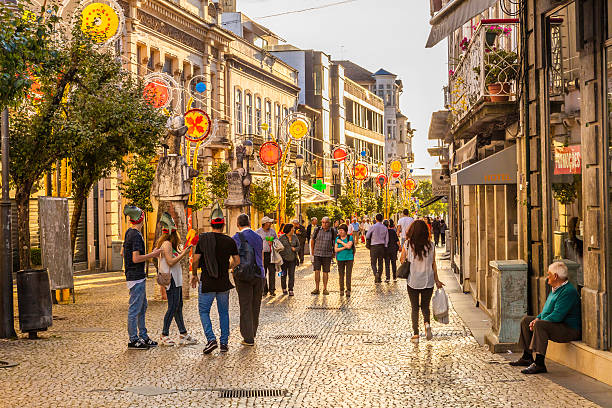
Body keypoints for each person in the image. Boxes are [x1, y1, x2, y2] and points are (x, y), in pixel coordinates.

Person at [509, 262, 581, 374]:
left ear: (556, 276)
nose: (548, 277)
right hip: (559, 325)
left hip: (569, 329)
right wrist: (536, 318)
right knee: (526, 320)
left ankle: (539, 363)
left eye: (549, 274)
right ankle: (527, 357)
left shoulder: (568, 291)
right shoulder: (556, 289)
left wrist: (538, 321)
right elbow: (546, 311)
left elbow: (557, 316)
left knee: (540, 325)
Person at [191, 213, 239, 354]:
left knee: (204, 311)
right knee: (223, 313)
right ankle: (224, 343)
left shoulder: (203, 240)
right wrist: (228, 267)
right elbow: (237, 261)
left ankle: (211, 339)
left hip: (207, 281)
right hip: (223, 282)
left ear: (211, 225)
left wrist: (194, 274)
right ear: (223, 225)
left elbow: (195, 260)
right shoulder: (229, 241)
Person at [122, 205, 162, 350]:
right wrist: (153, 254)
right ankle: (133, 339)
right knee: (135, 308)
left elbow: (123, 253)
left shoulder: (128, 233)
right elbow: (136, 258)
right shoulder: (136, 236)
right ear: (141, 219)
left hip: (134, 275)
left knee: (142, 306)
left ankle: (143, 336)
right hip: (136, 276)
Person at [156, 212, 197, 347]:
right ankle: (164, 334)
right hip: (171, 279)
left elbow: (175, 258)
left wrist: (184, 250)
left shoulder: (171, 245)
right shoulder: (166, 244)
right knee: (173, 306)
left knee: (179, 305)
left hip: (177, 278)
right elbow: (171, 262)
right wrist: (184, 254)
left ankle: (183, 333)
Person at [400, 219, 444, 344]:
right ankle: (427, 324)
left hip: (413, 280)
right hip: (428, 280)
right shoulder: (431, 245)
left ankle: (415, 334)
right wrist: (437, 281)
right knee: (425, 306)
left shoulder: (408, 244)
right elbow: (433, 264)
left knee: (414, 307)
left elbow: (402, 260)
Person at [232, 214, 265, 346]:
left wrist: (232, 269)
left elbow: (236, 259)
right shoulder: (258, 236)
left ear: (238, 224)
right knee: (255, 305)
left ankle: (248, 337)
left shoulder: (236, 237)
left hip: (244, 275)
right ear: (249, 223)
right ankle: (253, 332)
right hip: (259, 273)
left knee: (245, 305)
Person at [310, 216, 336, 295]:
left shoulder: (332, 231)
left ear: (329, 223)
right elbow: (312, 240)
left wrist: (334, 252)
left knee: (325, 272)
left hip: (327, 254)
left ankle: (325, 288)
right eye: (323, 222)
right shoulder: (317, 230)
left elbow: (334, 242)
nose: (324, 224)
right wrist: (313, 250)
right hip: (317, 254)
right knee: (317, 271)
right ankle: (317, 288)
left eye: (326, 222)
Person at [256, 216, 278, 297]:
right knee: (263, 273)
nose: (270, 224)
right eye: (269, 222)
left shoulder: (272, 231)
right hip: (262, 255)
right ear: (264, 224)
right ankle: (264, 290)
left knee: (272, 272)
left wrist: (273, 241)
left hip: (271, 254)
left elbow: (277, 240)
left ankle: (272, 290)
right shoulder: (258, 232)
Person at [366, 213, 388, 283]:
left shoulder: (373, 227)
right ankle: (379, 277)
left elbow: (367, 236)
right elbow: (387, 239)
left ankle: (376, 274)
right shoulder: (385, 227)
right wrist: (385, 246)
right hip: (382, 246)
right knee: (380, 262)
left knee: (373, 262)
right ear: (382, 219)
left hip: (374, 246)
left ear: (376, 219)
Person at [279, 223, 299, 296]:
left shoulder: (295, 237)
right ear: (289, 229)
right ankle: (283, 288)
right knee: (282, 274)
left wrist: (295, 249)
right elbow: (278, 248)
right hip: (283, 259)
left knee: (291, 275)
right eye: (292, 228)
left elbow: (299, 246)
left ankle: (291, 289)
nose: (294, 229)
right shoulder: (281, 238)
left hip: (292, 259)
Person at [334, 224, 354, 297]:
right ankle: (341, 290)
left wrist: (341, 243)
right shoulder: (337, 238)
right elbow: (336, 249)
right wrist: (344, 247)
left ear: (345, 231)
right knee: (341, 275)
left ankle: (348, 290)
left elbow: (349, 246)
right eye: (339, 230)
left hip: (349, 258)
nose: (340, 232)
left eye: (342, 230)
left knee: (348, 274)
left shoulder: (350, 237)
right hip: (340, 258)